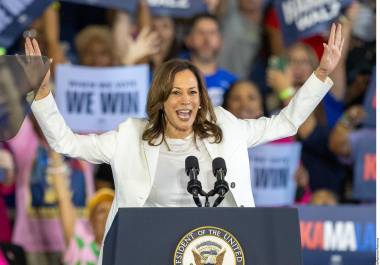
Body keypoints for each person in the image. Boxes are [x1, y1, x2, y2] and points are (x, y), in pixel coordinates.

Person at [27, 23, 343, 263]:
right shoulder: (130, 138)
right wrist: (41, 95)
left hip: (219, 249)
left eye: (192, 92)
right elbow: (66, 143)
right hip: (149, 254)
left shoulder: (226, 129)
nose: (186, 100)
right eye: (176, 92)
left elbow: (284, 123)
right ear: (161, 99)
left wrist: (321, 74)